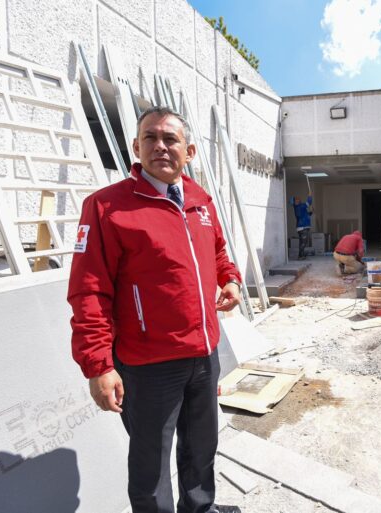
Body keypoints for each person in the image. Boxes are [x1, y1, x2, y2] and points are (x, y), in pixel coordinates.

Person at [68, 106, 242, 513]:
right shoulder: (107, 207)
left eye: (170, 139)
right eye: (150, 137)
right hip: (148, 365)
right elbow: (88, 290)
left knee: (201, 451)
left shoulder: (200, 202)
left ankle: (200, 510)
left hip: (204, 354)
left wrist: (229, 279)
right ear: (135, 146)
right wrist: (98, 365)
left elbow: (217, 252)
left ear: (190, 151)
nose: (160, 146)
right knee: (151, 469)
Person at [290, 195, 313, 260]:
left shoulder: (298, 207)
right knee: (303, 242)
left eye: (298, 198)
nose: (299, 199)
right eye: (296, 199)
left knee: (302, 242)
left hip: (302, 227)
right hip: (303, 227)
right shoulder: (299, 206)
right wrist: (310, 196)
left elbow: (305, 215)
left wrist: (310, 213)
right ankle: (300, 255)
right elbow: (308, 203)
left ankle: (301, 255)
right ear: (294, 202)